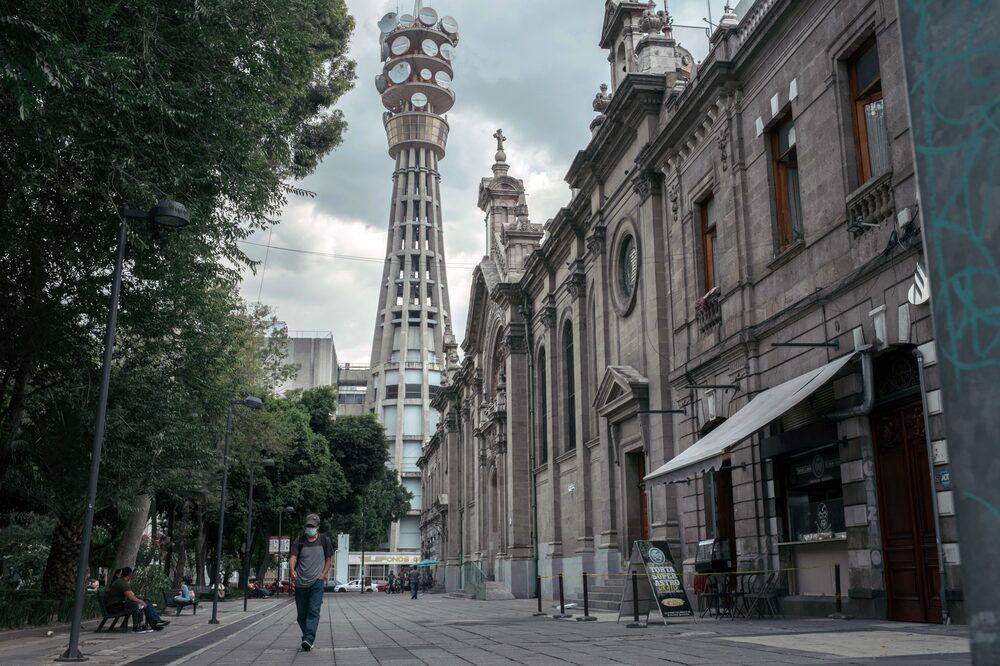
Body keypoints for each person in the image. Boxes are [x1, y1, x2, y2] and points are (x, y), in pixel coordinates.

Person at [287, 513, 332, 652]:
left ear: (318, 526)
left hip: (316, 583)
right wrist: (292, 570)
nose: (310, 528)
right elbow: (293, 558)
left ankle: (308, 638)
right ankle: (307, 637)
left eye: (312, 526)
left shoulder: (324, 540)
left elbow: (329, 560)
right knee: (301, 615)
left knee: (313, 610)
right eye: (308, 526)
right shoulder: (299, 541)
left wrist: (323, 575)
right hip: (300, 583)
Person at [105, 567, 170, 632]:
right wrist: (141, 601)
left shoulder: (122, 581)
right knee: (137, 604)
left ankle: (155, 622)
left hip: (119, 604)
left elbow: (131, 595)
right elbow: (131, 597)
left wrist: (142, 601)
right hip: (115, 607)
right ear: (130, 575)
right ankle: (137, 626)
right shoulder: (121, 583)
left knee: (146, 601)